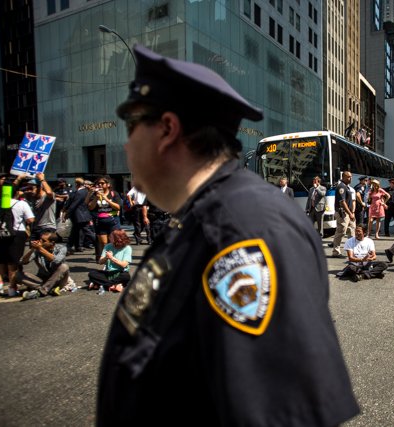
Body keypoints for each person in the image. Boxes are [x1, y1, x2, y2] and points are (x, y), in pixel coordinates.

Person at [97, 44, 359, 426]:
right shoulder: (200, 217)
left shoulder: (245, 228)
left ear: (167, 129)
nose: (125, 143)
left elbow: (276, 414)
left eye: (131, 125)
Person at [17, 232, 70, 299]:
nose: (40, 242)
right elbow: (23, 262)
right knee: (18, 275)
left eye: (44, 241)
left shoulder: (62, 248)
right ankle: (47, 289)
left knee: (64, 266)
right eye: (40, 239)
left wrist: (40, 248)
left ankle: (41, 291)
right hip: (43, 279)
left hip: (58, 280)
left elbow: (56, 261)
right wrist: (32, 249)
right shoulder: (37, 250)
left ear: (52, 243)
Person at [87, 175, 121, 259]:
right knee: (104, 243)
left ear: (108, 184)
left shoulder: (114, 194)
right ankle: (106, 259)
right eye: (98, 183)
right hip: (100, 221)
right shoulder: (95, 194)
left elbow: (118, 207)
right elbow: (90, 207)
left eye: (102, 183)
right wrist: (96, 198)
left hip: (113, 221)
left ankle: (114, 258)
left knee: (113, 242)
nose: (100, 185)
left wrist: (107, 199)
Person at [64, 177, 96, 254]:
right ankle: (68, 247)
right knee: (74, 232)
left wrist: (67, 213)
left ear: (76, 184)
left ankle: (100, 244)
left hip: (80, 215)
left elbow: (74, 205)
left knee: (87, 232)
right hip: (82, 215)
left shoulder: (80, 192)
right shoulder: (86, 191)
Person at [331, 171, 356, 257]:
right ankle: (336, 252)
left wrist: (352, 213)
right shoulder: (341, 186)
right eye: (348, 177)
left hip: (349, 213)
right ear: (343, 177)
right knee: (341, 232)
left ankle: (353, 251)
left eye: (351, 176)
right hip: (343, 213)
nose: (350, 178)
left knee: (352, 231)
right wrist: (350, 213)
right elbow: (342, 202)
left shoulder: (347, 187)